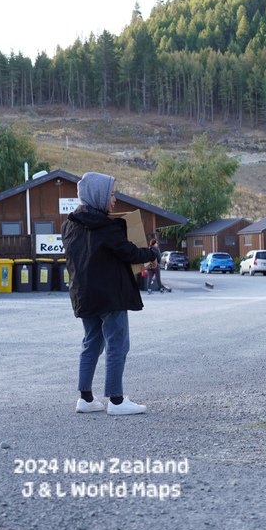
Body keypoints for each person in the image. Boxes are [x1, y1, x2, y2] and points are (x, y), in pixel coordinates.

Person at [62, 172, 157, 416]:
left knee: (92, 342)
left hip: (83, 295)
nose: (114, 200)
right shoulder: (106, 226)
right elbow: (130, 253)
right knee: (118, 343)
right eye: (111, 194)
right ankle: (116, 400)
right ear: (98, 196)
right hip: (110, 295)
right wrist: (152, 254)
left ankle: (85, 398)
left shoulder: (69, 225)